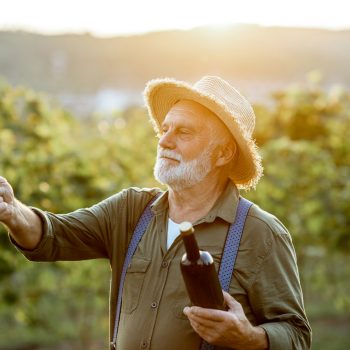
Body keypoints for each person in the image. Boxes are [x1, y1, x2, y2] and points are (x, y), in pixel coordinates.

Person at [0, 76, 311, 349]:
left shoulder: (261, 234)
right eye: (164, 129)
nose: (164, 140)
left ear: (223, 153)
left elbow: (296, 335)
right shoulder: (130, 211)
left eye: (184, 132)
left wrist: (249, 338)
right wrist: (12, 211)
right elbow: (54, 234)